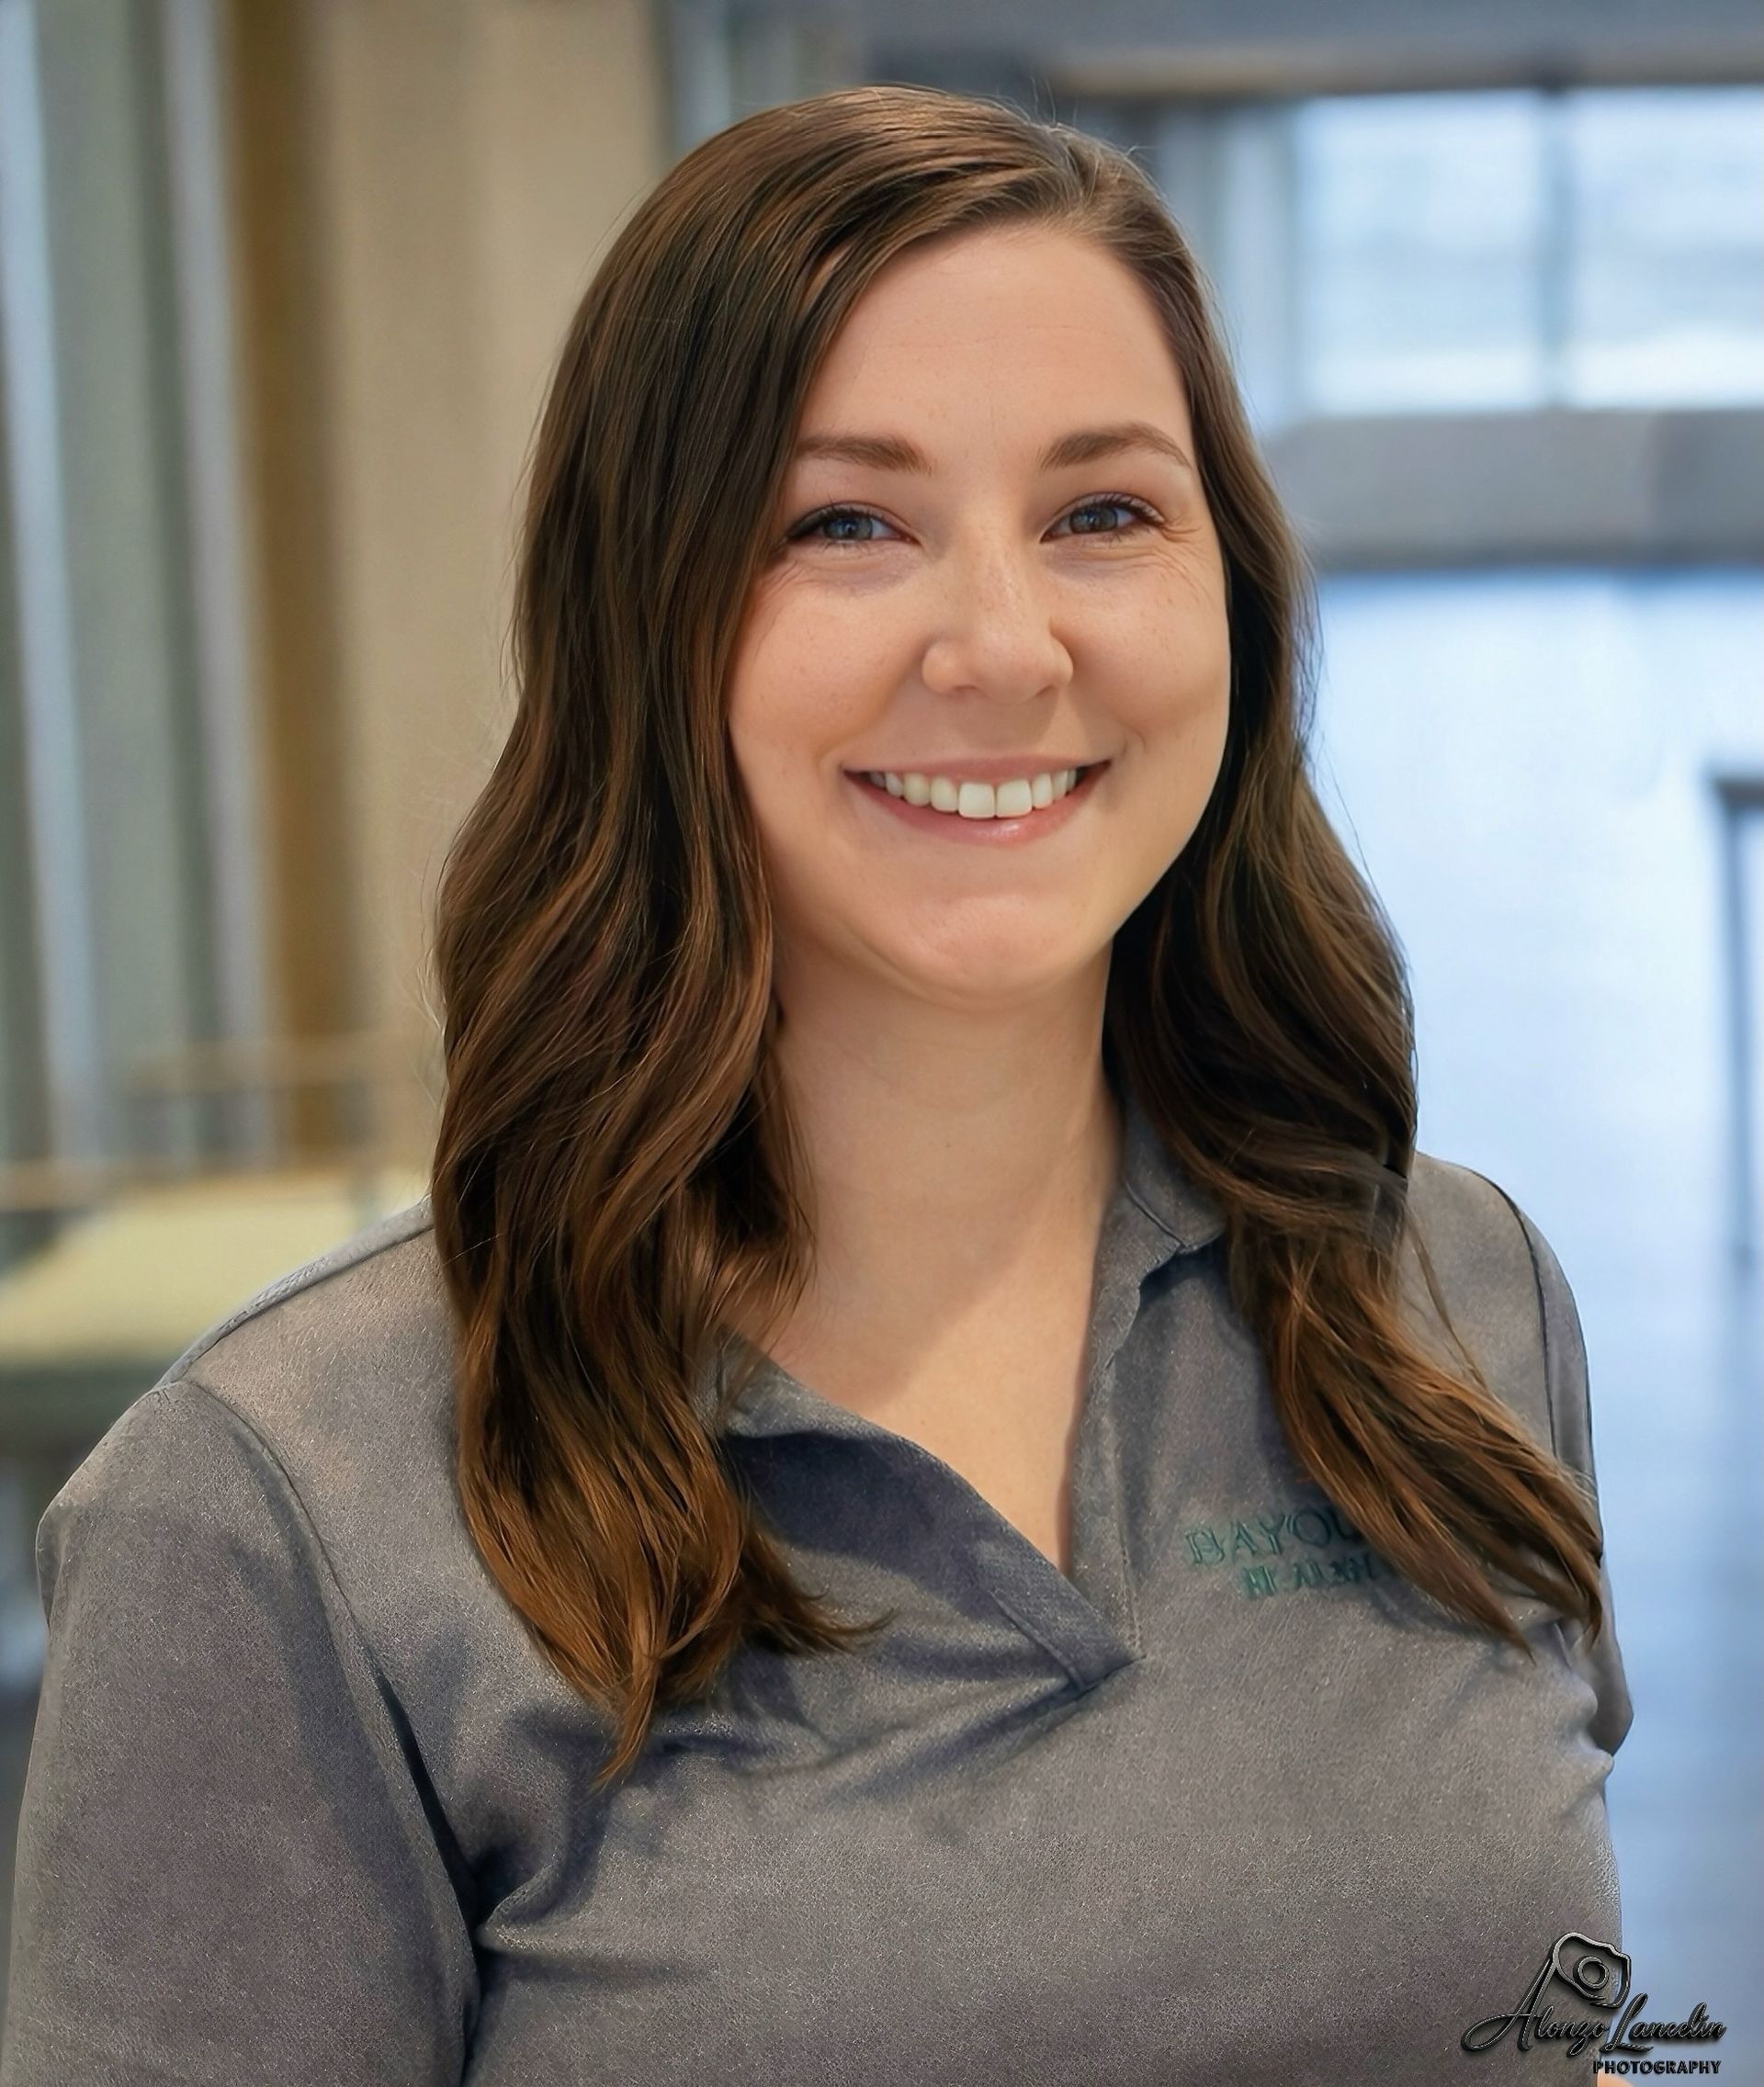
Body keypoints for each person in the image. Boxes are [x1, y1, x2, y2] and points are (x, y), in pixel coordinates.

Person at [0, 86, 1630, 2086]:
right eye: (844, 523)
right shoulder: (275, 1512)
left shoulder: (1452, 1298)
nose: (1003, 646)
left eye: (1103, 513)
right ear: (644, 620)